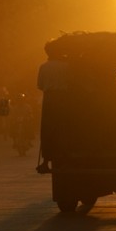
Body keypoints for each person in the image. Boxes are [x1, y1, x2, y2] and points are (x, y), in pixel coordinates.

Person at [36, 45, 69, 173]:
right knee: (63, 128)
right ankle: (65, 158)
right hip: (63, 98)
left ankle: (45, 162)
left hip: (49, 98)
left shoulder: (44, 67)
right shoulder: (66, 66)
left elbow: (40, 85)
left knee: (47, 128)